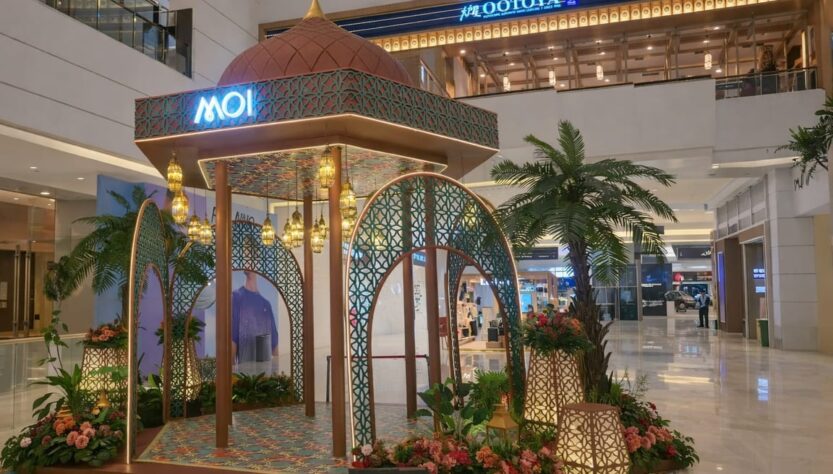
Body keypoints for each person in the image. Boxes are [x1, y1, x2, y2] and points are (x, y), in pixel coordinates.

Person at [232, 271, 279, 363]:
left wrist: (280, 370)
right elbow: (232, 339)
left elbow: (274, 345)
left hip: (265, 369)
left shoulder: (266, 304)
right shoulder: (236, 297)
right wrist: (230, 370)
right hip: (245, 369)